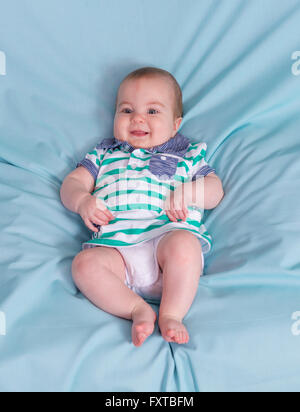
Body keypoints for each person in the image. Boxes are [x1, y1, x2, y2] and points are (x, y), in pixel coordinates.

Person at [60, 67, 224, 347]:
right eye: (126, 110)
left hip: (166, 243)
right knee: (84, 265)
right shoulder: (104, 154)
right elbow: (72, 184)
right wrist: (82, 200)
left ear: (175, 125)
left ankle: (171, 314)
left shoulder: (186, 154)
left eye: (152, 111)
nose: (137, 118)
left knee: (185, 245)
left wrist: (188, 191)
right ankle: (137, 309)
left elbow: (215, 190)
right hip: (117, 254)